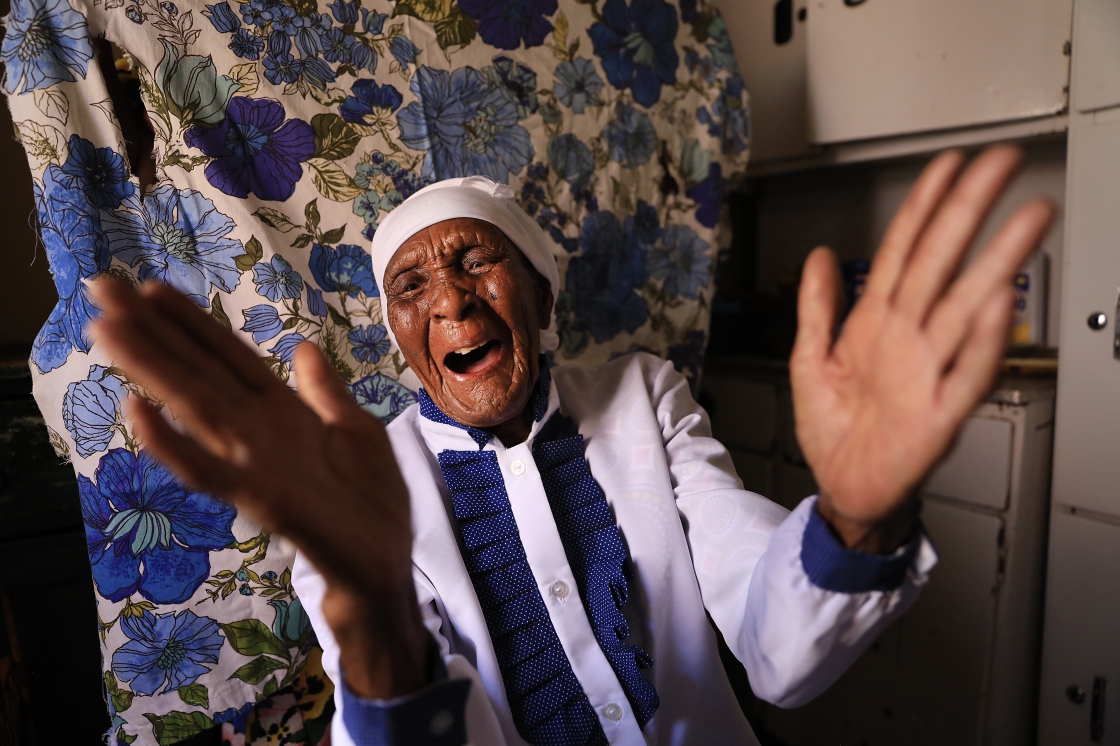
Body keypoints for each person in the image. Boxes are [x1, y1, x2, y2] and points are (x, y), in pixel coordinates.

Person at [88, 144, 1054, 745]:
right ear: (401, 337)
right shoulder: (358, 480)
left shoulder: (643, 394)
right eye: (414, 287)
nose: (454, 299)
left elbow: (782, 655)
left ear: (543, 298)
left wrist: (853, 515)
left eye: (477, 261)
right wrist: (375, 614)